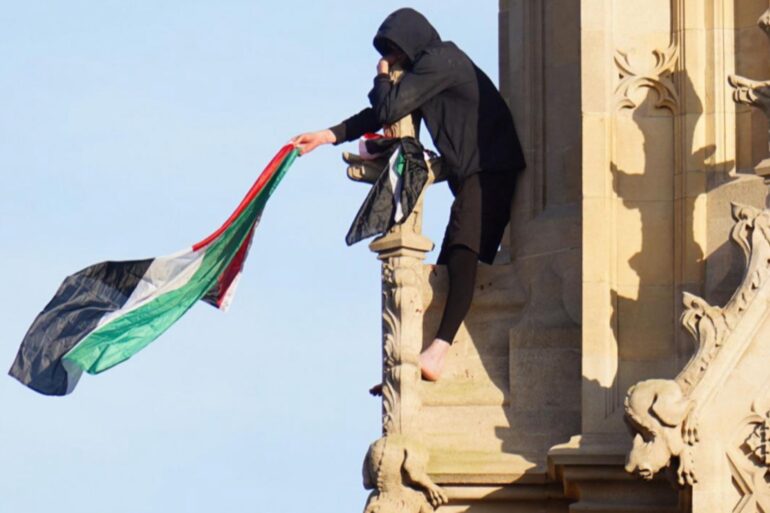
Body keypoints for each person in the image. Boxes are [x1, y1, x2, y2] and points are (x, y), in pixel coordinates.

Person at [292, 7, 525, 382]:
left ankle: (438, 352)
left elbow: (388, 108)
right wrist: (327, 136)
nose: (391, 60)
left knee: (464, 257)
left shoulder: (441, 61)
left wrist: (381, 76)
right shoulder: (431, 68)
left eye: (394, 52)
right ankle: (418, 359)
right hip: (475, 175)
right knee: (451, 264)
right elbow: (378, 113)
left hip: (490, 170)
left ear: (411, 42)